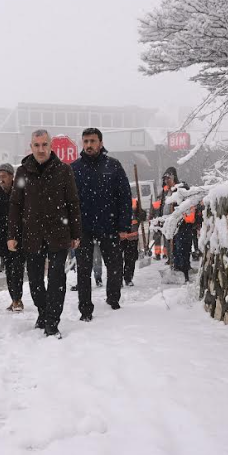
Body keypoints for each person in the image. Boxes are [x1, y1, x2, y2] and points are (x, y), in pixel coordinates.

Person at [8, 130, 81, 338]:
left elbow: (73, 203)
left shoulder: (63, 171)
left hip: (59, 234)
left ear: (51, 146)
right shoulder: (23, 171)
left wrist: (76, 233)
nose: (41, 149)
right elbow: (15, 205)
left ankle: (52, 321)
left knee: (57, 279)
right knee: (36, 282)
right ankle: (43, 311)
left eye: (44, 145)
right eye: (37, 145)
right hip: (32, 235)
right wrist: (12, 234)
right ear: (31, 147)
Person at [71, 127, 131, 321]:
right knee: (83, 269)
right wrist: (71, 228)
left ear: (101, 143)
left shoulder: (113, 166)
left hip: (109, 225)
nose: (89, 145)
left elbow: (124, 197)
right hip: (83, 227)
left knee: (114, 265)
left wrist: (123, 226)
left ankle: (113, 299)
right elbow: (68, 201)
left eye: (92, 141)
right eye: (86, 141)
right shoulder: (74, 168)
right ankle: (85, 309)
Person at [0, 163, 25, 312]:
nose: (1, 180)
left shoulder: (19, 192)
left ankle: (17, 299)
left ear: (12, 176)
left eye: (4, 176)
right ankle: (14, 298)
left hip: (19, 237)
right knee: (8, 270)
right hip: (2, 238)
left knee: (17, 270)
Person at [159, 166, 195, 282]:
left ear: (173, 177)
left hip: (183, 225)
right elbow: (162, 207)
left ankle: (185, 274)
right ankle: (177, 270)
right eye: (164, 179)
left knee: (182, 249)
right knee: (174, 250)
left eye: (168, 178)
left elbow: (186, 207)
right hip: (172, 226)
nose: (166, 181)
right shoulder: (166, 192)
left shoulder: (181, 189)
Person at [122, 198, 146, 287]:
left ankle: (128, 278)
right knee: (118, 260)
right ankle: (118, 278)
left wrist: (140, 214)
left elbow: (143, 215)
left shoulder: (134, 202)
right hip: (120, 237)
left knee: (131, 259)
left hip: (132, 237)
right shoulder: (116, 201)